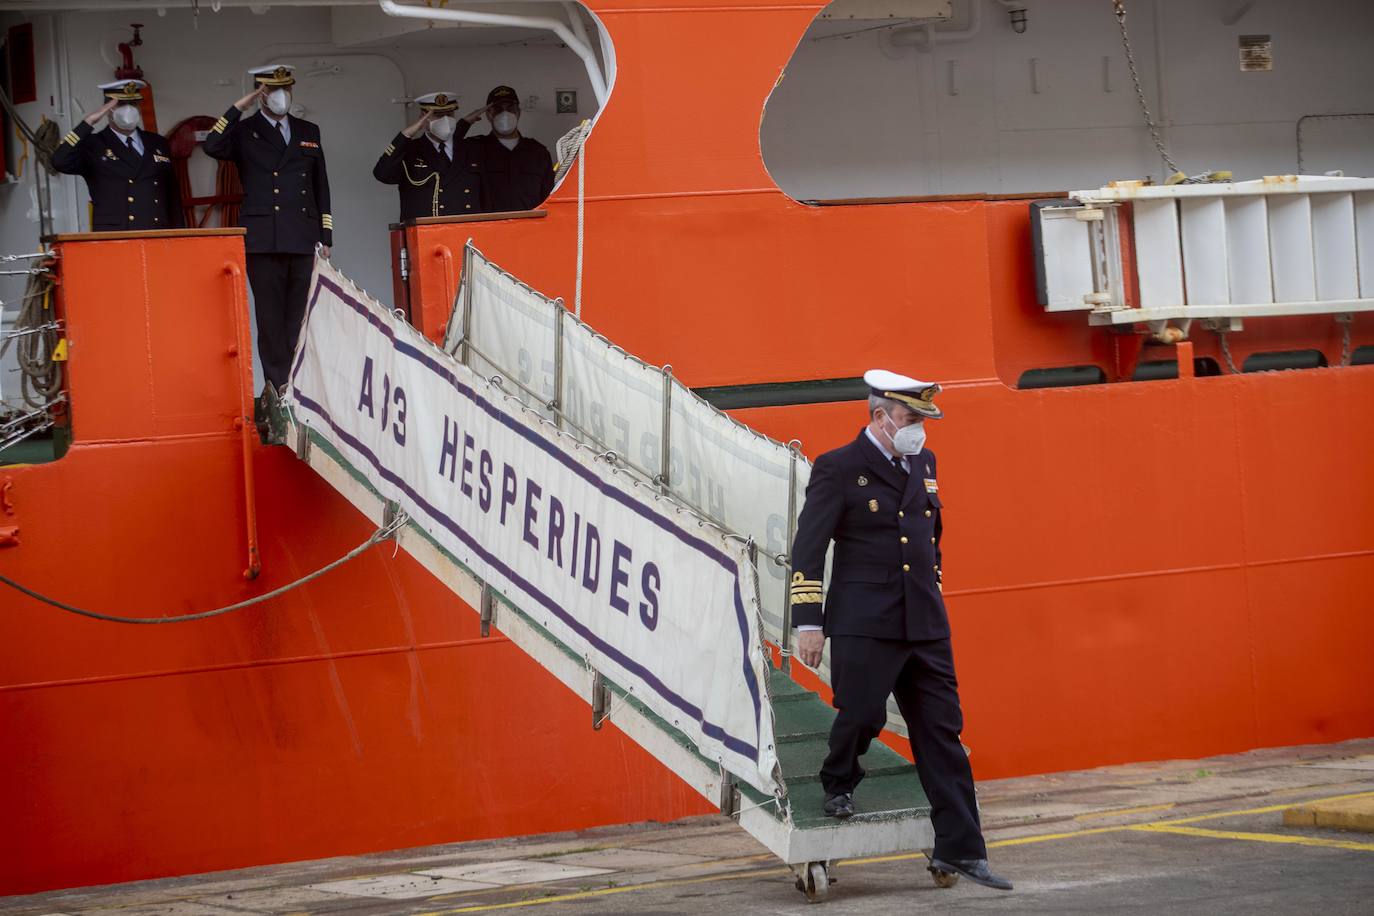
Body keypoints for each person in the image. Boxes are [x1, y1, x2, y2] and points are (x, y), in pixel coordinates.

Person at [789, 369, 1012, 892]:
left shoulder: (924, 462)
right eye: (912, 419)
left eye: (923, 421)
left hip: (924, 622)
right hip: (865, 620)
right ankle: (839, 777)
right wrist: (808, 620)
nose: (920, 431)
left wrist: (931, 588)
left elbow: (929, 536)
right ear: (880, 418)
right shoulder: (838, 467)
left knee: (943, 732)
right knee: (862, 713)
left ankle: (963, 850)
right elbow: (809, 547)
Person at [203, 64, 332, 395]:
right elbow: (212, 145)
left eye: (285, 89)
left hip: (302, 236)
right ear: (260, 95)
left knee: (300, 317)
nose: (280, 97)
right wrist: (238, 107)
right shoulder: (245, 132)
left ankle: (301, 385)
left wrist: (325, 235)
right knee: (271, 320)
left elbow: (320, 186)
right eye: (272, 91)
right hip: (264, 239)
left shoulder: (308, 130)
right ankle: (278, 387)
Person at [51, 80, 183, 232]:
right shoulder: (93, 144)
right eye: (121, 104)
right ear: (108, 109)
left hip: (157, 232)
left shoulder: (157, 142)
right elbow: (59, 161)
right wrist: (88, 122)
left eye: (133, 104)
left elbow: (172, 196)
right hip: (116, 235)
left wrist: (179, 236)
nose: (129, 110)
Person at [373, 92, 482, 220]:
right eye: (438, 115)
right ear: (423, 117)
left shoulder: (470, 148)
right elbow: (382, 174)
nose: (445, 120)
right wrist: (405, 135)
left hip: (466, 234)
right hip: (425, 234)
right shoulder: (410, 150)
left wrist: (463, 125)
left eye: (449, 114)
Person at [454, 85, 554, 212]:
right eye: (498, 109)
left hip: (529, 227)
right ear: (489, 115)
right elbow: (447, 149)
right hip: (490, 228)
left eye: (510, 108)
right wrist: (465, 123)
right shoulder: (475, 148)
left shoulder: (538, 152)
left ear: (518, 112)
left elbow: (549, 197)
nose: (505, 114)